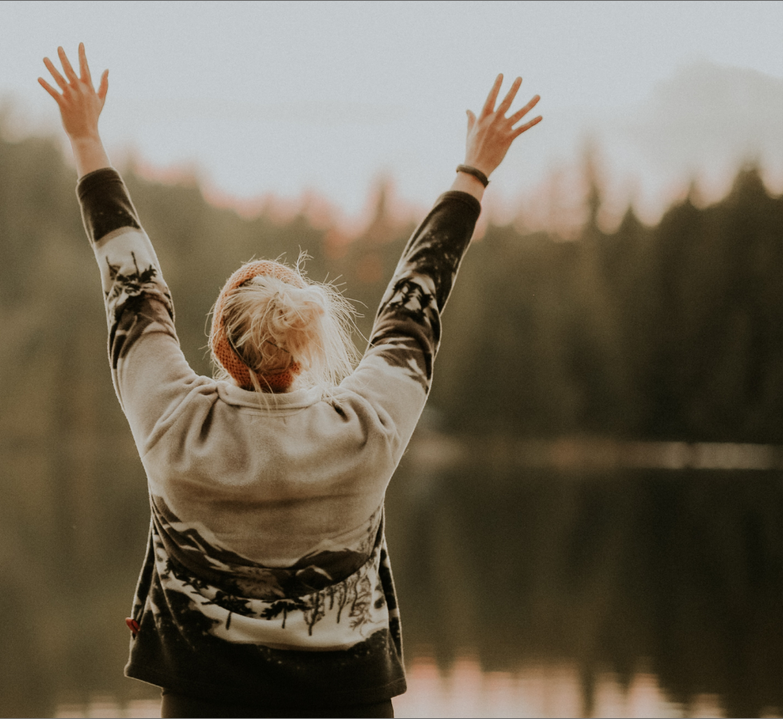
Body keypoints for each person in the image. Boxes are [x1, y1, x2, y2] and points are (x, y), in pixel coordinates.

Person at [39, 44, 541, 718]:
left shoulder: (173, 425)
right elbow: (414, 302)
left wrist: (84, 137)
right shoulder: (365, 429)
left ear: (220, 347)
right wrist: (474, 170)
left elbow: (131, 286)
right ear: (305, 346)